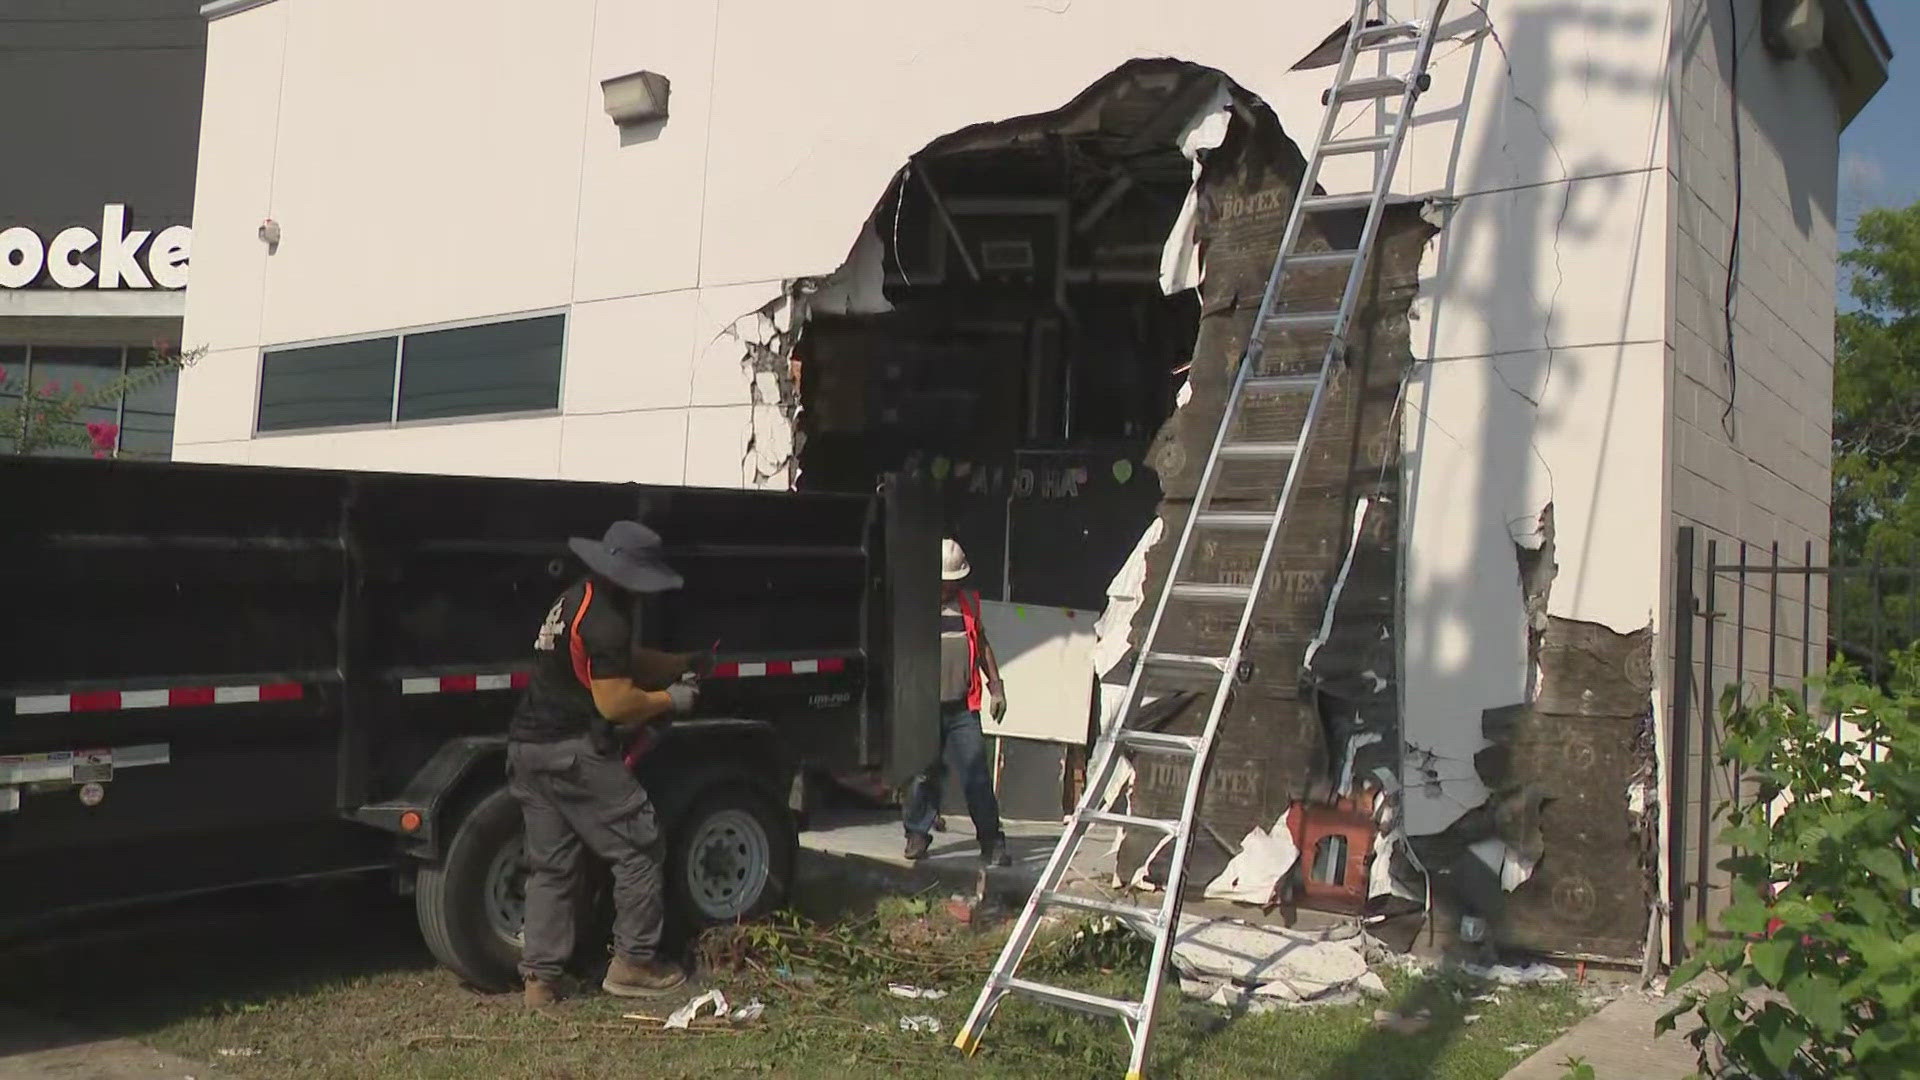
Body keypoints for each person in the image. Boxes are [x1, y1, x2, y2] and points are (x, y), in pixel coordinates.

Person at [509, 520, 701, 1007]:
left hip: (528, 750)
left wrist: (677, 661)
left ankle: (540, 982)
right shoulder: (608, 619)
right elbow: (615, 703)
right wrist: (670, 700)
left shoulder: (576, 599)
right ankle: (634, 964)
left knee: (551, 868)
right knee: (639, 845)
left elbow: (617, 661)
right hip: (573, 752)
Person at [903, 538, 1012, 868]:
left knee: (976, 775)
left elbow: (983, 646)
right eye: (943, 582)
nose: (947, 588)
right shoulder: (914, 607)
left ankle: (992, 842)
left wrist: (997, 687)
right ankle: (917, 834)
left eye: (952, 582)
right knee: (923, 774)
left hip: (963, 707)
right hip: (924, 708)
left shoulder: (968, 604)